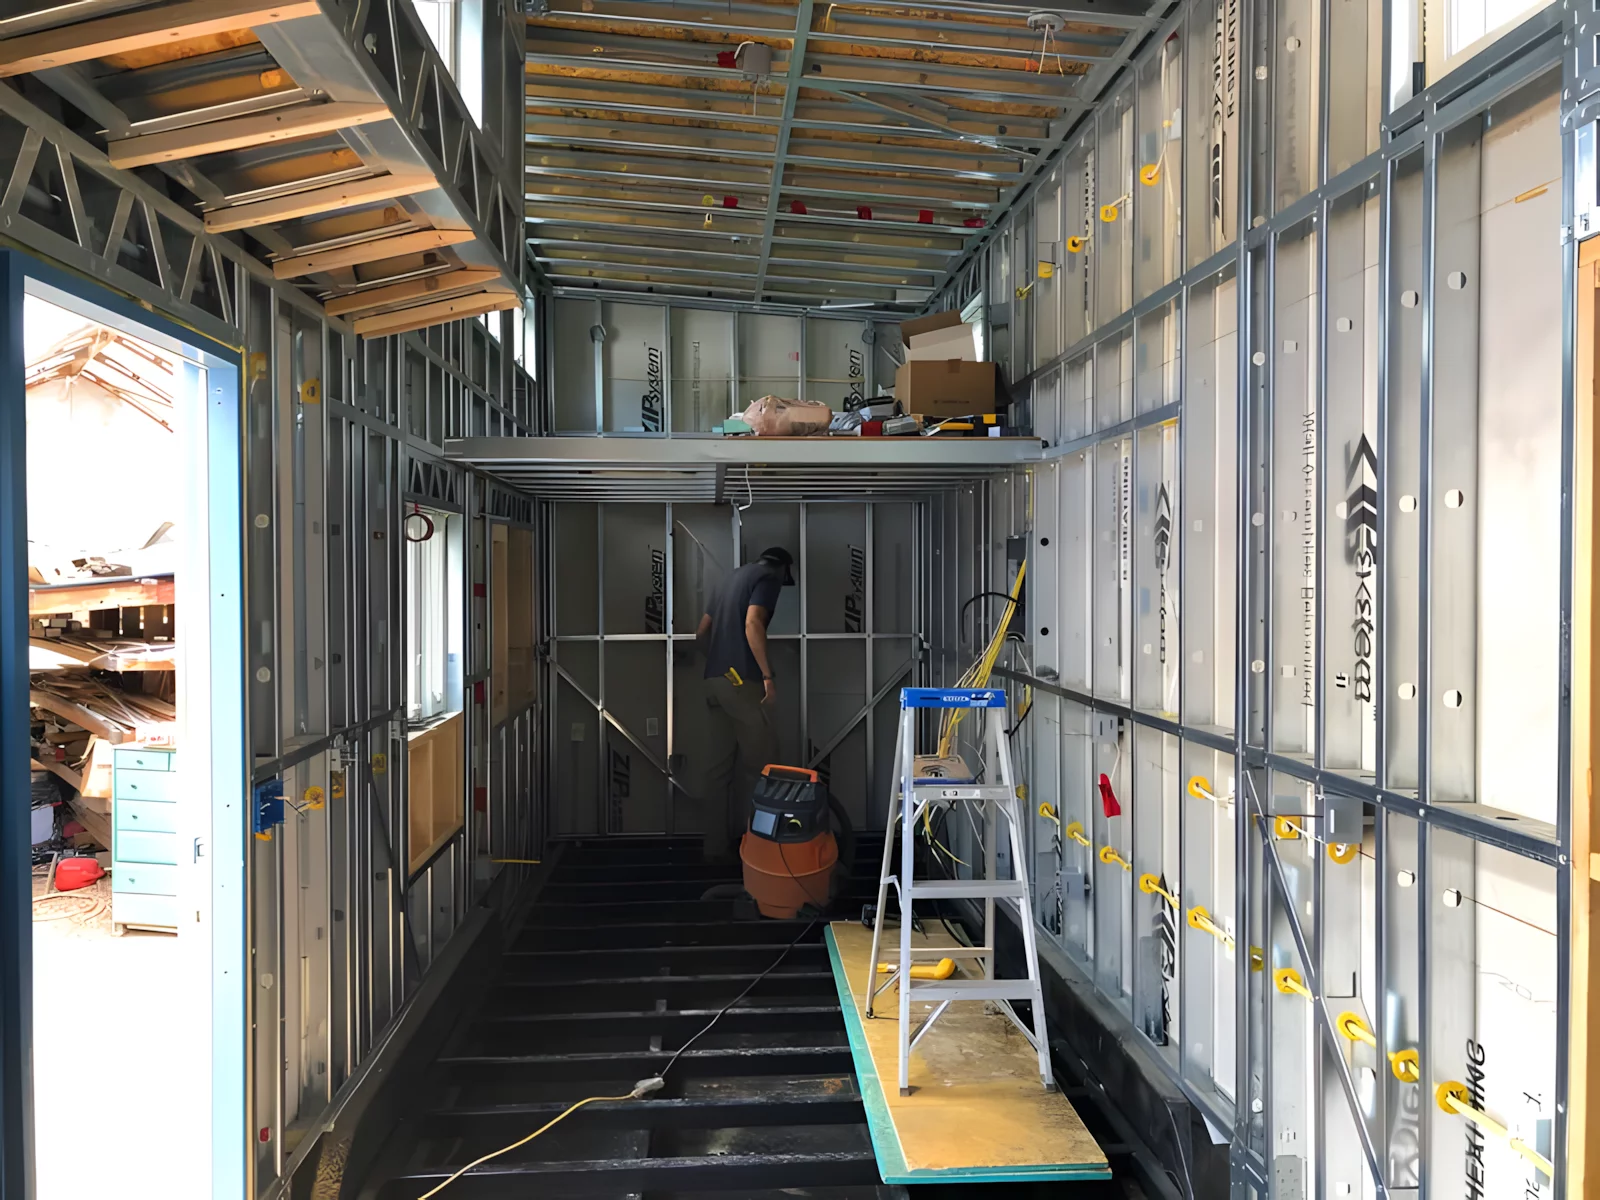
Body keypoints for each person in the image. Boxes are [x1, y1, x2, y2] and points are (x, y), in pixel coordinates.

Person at [694, 546, 794, 859]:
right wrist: (767, 676)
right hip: (742, 683)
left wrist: (720, 665)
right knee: (763, 767)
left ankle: (714, 849)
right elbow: (753, 624)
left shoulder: (729, 579)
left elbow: (701, 634)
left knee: (718, 770)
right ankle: (761, 851)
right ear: (783, 569)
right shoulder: (768, 577)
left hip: (715, 681)